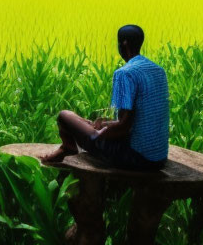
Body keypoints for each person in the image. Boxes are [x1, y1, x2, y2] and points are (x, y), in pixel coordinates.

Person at [41, 24, 169, 171]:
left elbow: (124, 127)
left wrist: (99, 133)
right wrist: (105, 124)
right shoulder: (158, 70)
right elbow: (136, 119)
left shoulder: (125, 73)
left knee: (65, 116)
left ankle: (68, 148)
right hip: (158, 158)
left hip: (136, 158)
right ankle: (80, 137)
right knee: (92, 124)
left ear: (124, 44)